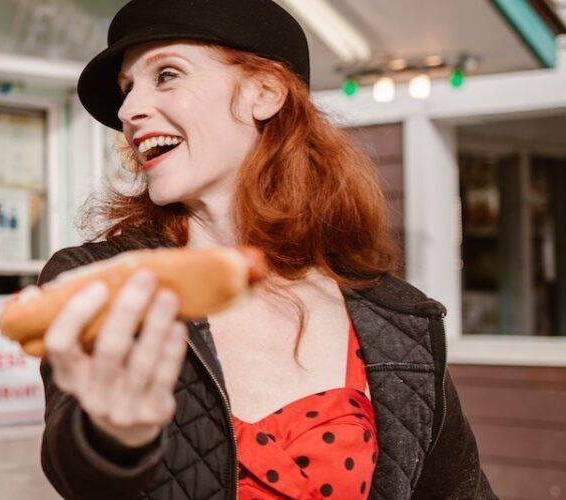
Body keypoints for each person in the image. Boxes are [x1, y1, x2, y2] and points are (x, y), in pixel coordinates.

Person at [35, 0, 495, 498]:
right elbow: (75, 470)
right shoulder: (101, 281)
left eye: (166, 75)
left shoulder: (397, 318)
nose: (127, 111)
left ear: (264, 93)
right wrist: (111, 439)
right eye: (128, 90)